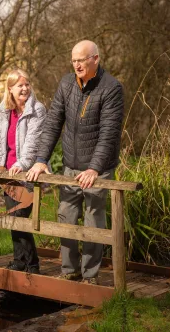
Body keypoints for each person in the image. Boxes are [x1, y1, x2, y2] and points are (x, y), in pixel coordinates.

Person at [26, 40, 124, 284]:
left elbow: (108, 133)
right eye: (73, 60)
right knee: (66, 215)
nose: (77, 65)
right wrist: (40, 160)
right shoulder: (67, 83)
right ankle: (70, 270)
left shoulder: (111, 88)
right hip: (70, 165)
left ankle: (90, 275)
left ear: (96, 59)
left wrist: (95, 168)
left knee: (93, 221)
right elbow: (53, 124)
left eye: (81, 60)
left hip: (98, 170)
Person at [0, 69, 46, 274]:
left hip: (26, 173)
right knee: (13, 217)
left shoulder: (37, 110)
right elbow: (0, 141)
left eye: (27, 84)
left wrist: (21, 165)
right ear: (10, 89)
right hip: (9, 172)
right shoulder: (4, 111)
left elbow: (33, 143)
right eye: (19, 85)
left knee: (22, 217)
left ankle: (32, 264)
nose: (24, 88)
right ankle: (19, 260)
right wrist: (0, 166)